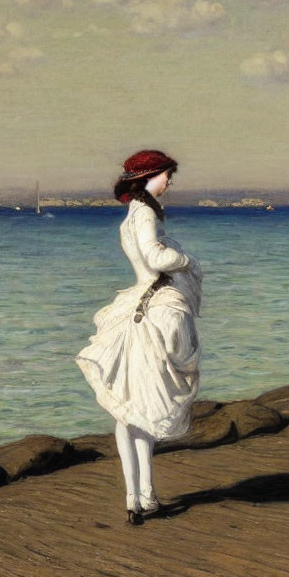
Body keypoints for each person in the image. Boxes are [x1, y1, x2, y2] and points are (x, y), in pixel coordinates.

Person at [76, 150, 202, 525]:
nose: (170, 183)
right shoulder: (146, 213)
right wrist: (185, 259)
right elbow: (154, 257)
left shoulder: (132, 214)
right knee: (143, 406)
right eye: (167, 176)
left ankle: (138, 498)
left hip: (135, 310)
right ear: (150, 177)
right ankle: (143, 496)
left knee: (129, 411)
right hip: (155, 308)